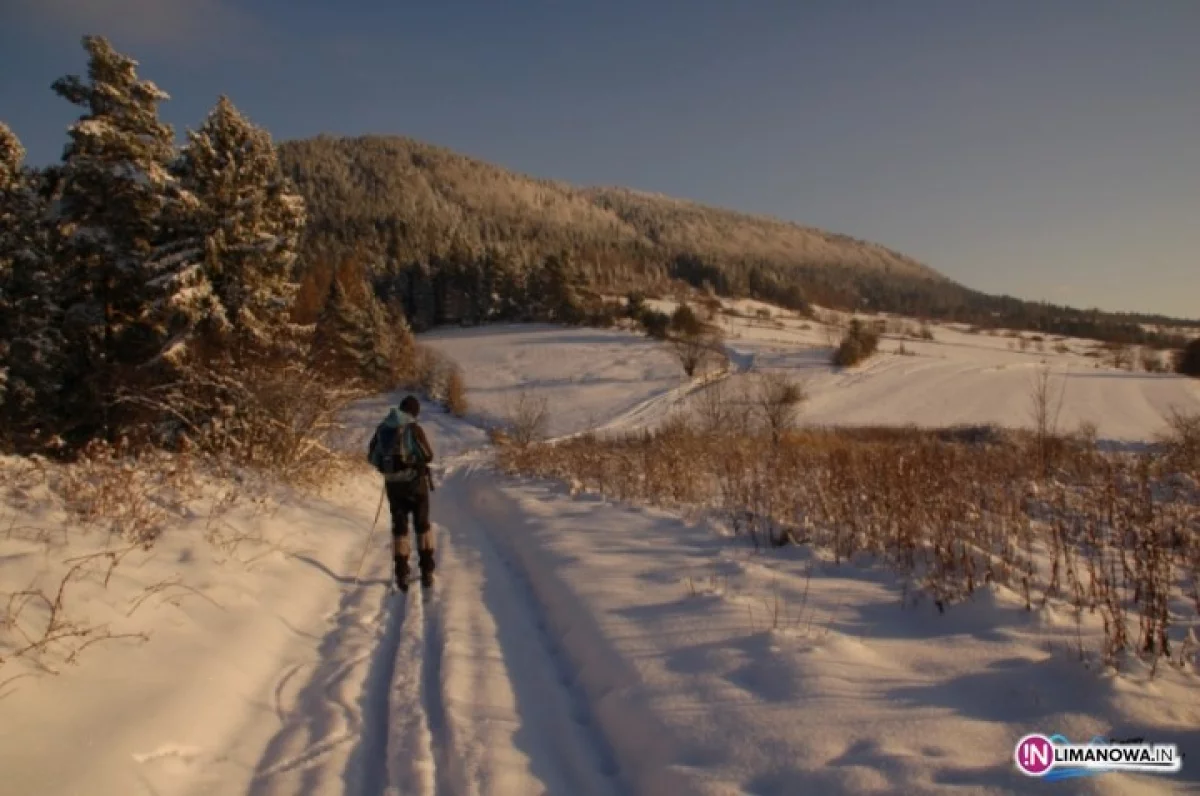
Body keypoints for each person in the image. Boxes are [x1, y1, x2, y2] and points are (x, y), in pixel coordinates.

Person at [369, 394, 435, 591]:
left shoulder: (382, 429)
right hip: (415, 484)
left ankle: (401, 573)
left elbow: (373, 457)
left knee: (400, 527)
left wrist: (388, 468)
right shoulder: (413, 429)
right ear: (414, 412)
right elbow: (427, 455)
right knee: (422, 526)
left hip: (393, 486)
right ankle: (426, 571)